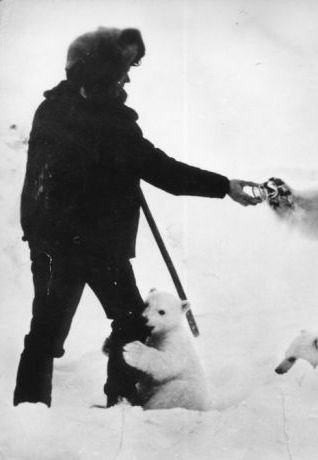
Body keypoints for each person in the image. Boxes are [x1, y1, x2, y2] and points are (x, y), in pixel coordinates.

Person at [14, 27, 261, 407]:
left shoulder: (79, 112)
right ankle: (34, 420)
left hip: (88, 247)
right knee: (54, 333)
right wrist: (224, 186)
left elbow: (153, 167)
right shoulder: (94, 118)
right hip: (67, 247)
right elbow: (159, 170)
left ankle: (120, 407)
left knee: (125, 322)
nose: (128, 77)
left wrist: (223, 184)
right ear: (96, 71)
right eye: (121, 69)